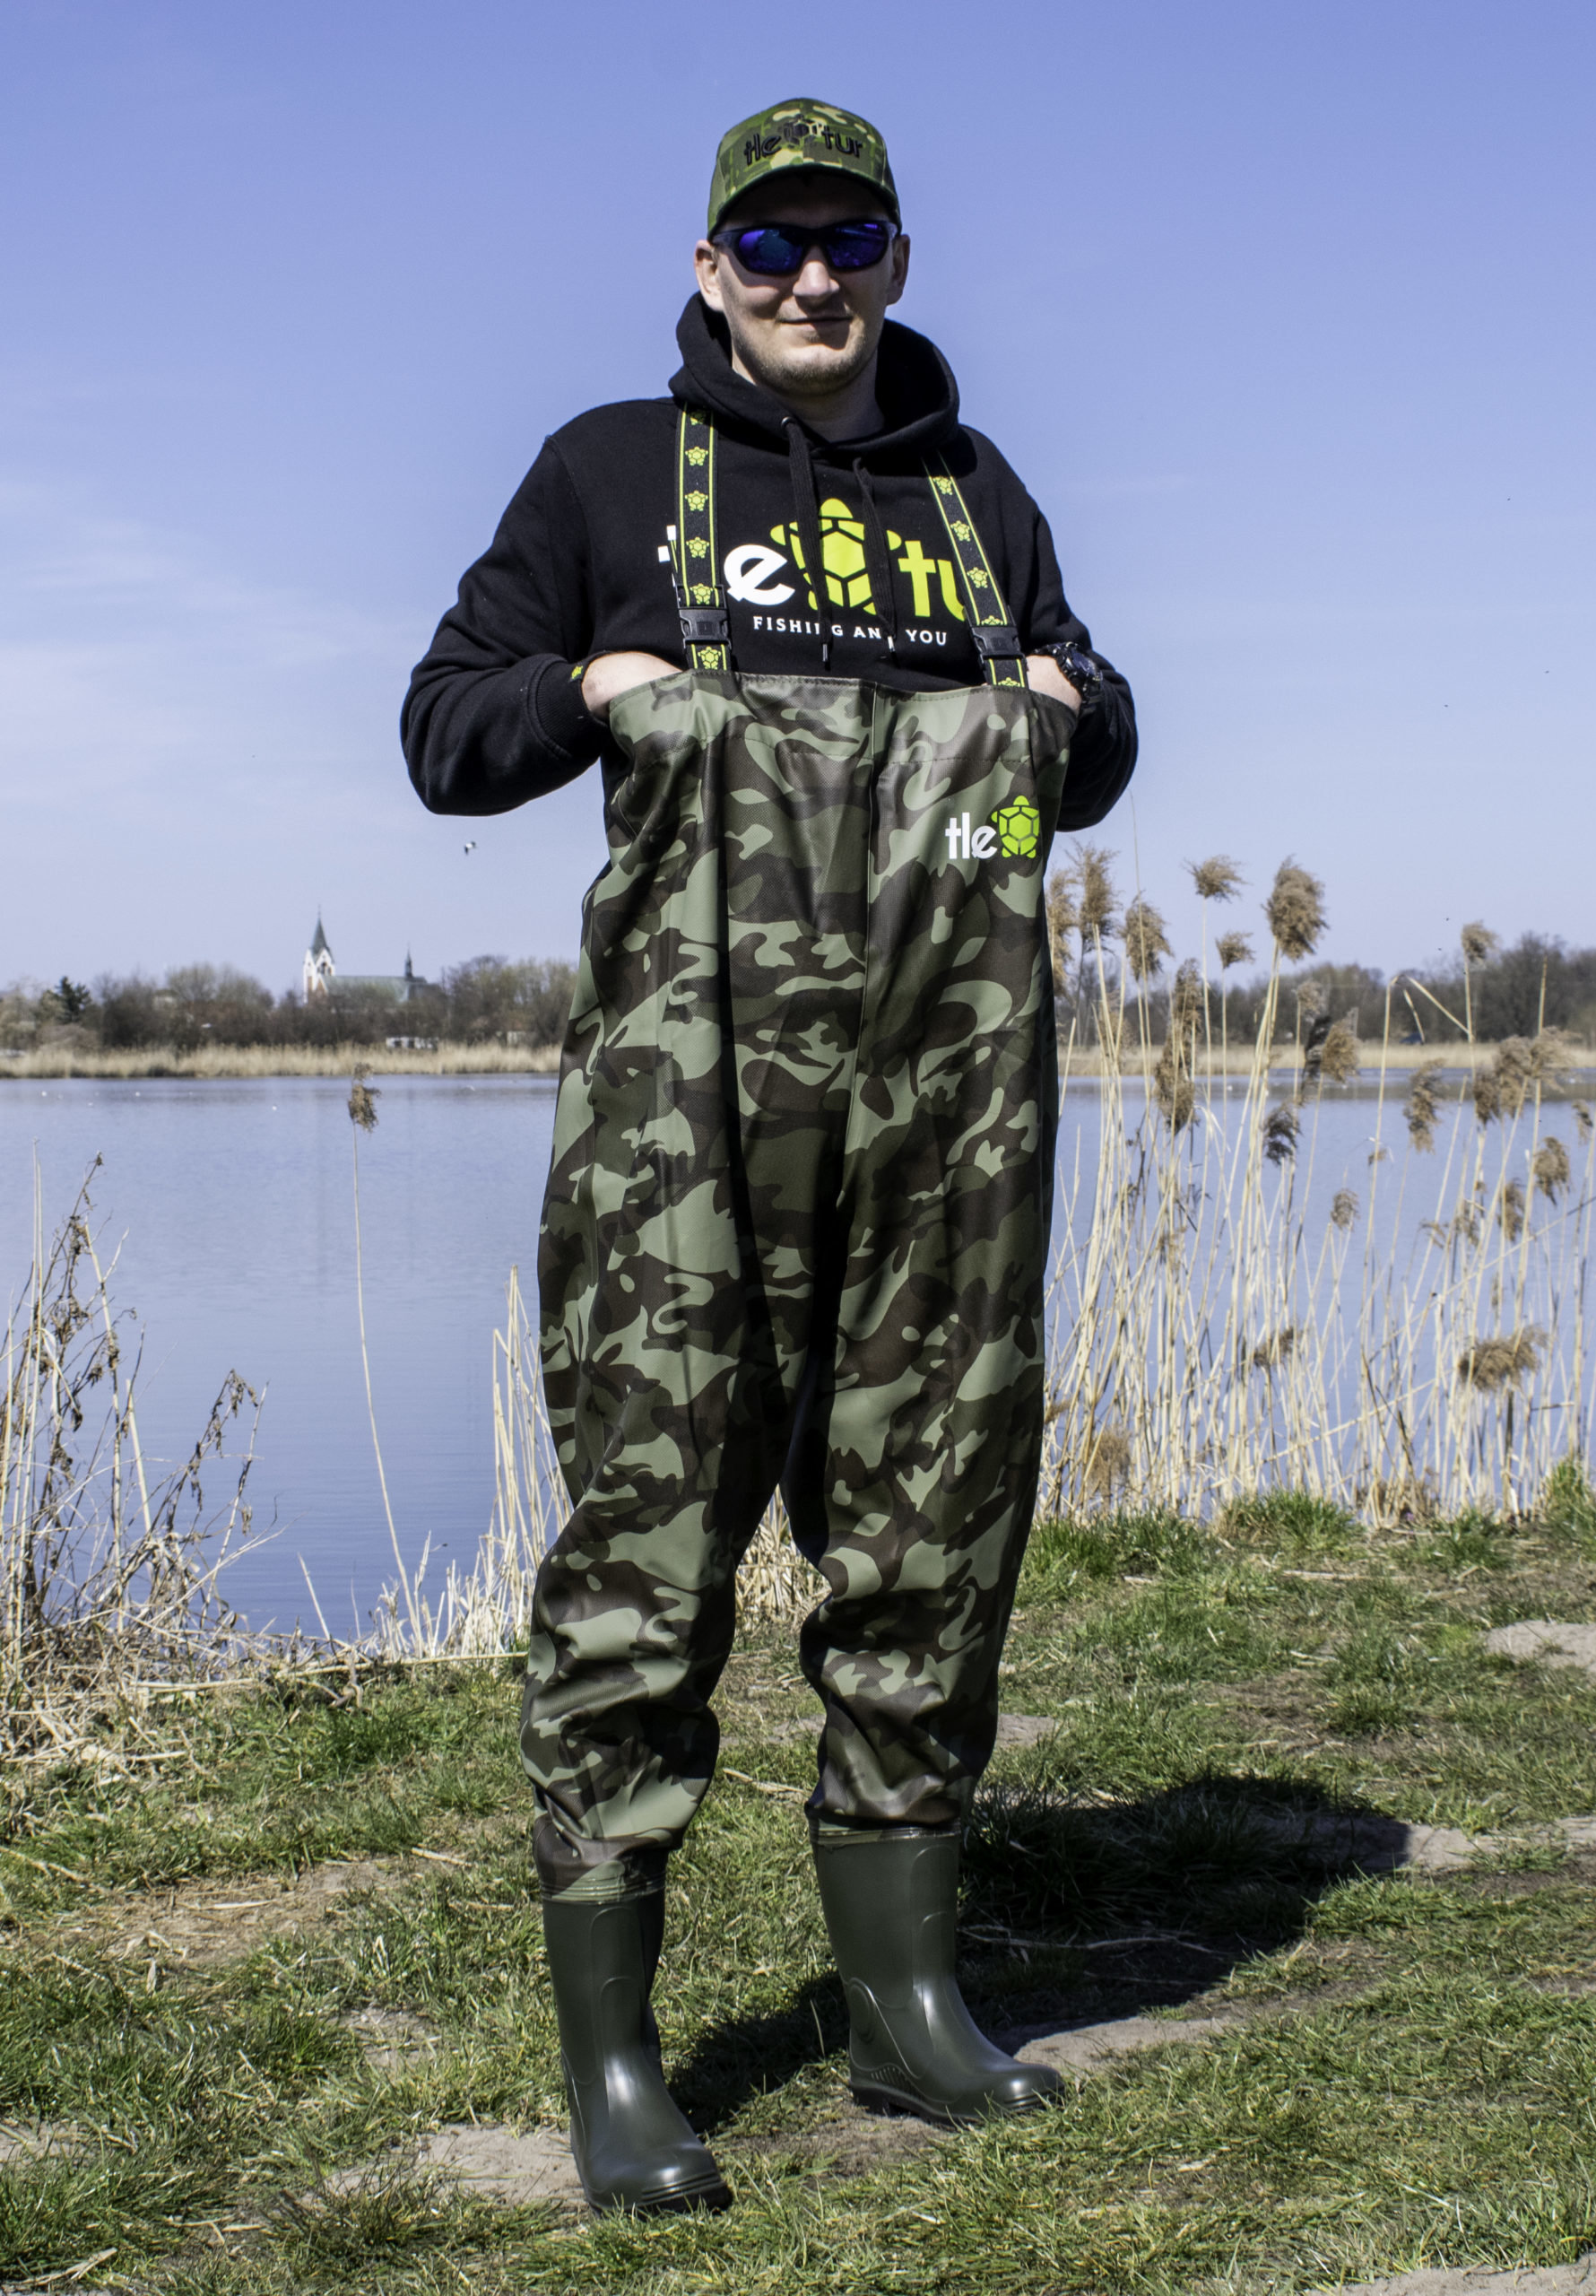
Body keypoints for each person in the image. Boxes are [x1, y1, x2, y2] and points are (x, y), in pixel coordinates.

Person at [403, 97, 1137, 2215]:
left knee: (935, 1537)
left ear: (896, 260)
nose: (813, 279)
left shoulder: (976, 497)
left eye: (850, 242)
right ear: (710, 266)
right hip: (687, 1135)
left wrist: (1074, 709)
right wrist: (586, 684)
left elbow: (1092, 754)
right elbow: (445, 733)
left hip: (950, 1121)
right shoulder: (605, 472)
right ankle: (620, 2060)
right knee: (645, 1564)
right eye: (772, 244)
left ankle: (907, 2005)